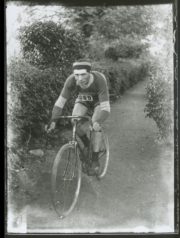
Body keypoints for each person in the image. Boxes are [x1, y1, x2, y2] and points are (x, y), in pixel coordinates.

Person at [46, 60, 110, 175]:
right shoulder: (71, 80)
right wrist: (53, 120)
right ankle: (86, 144)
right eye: (76, 75)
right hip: (83, 99)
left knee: (95, 124)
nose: (79, 78)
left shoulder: (99, 80)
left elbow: (105, 108)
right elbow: (60, 102)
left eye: (83, 74)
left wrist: (98, 122)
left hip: (99, 102)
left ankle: (95, 159)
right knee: (74, 120)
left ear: (89, 73)